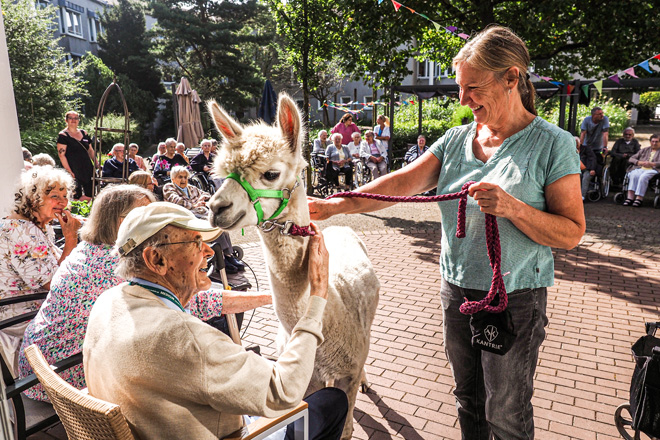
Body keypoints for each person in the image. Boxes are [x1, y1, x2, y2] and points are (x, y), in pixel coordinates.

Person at [309, 25, 585, 440]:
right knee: (468, 400)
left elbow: (570, 233)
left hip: (514, 299)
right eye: (460, 87)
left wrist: (513, 207)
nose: (462, 99)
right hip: (456, 291)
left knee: (506, 412)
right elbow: (400, 184)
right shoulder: (456, 140)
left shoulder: (552, 144)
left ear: (511, 78)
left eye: (473, 87)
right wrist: (337, 204)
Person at [83, 203, 348, 440]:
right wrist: (316, 299)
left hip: (153, 424)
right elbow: (284, 391)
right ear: (156, 259)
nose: (209, 251)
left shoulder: (108, 301)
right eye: (196, 242)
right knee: (331, 401)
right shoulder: (185, 337)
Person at [0, 166, 81, 376]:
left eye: (65, 195)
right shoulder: (22, 230)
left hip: (29, 305)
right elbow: (56, 283)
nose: (63, 202)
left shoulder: (36, 227)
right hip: (19, 314)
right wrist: (71, 237)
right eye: (54, 196)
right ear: (34, 199)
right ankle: (71, 384)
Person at [163, 166, 244, 273]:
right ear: (173, 179)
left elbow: (206, 194)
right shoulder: (169, 187)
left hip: (200, 213)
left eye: (185, 177)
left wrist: (203, 198)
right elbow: (177, 201)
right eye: (180, 177)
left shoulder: (190, 188)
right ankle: (222, 259)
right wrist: (195, 204)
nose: (183, 180)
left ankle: (228, 255)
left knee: (220, 222)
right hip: (187, 216)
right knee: (211, 226)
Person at [56, 111, 97, 199]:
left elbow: (90, 150)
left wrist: (97, 163)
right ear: (66, 120)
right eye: (71, 118)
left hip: (86, 167)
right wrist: (69, 171)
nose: (73, 120)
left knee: (91, 193)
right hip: (73, 167)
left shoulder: (84, 133)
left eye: (76, 118)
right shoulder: (63, 135)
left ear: (78, 120)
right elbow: (61, 155)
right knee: (75, 194)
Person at [622, 134, 660, 207]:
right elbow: (631, 158)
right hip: (641, 168)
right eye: (653, 141)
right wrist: (639, 162)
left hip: (654, 170)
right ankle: (630, 197)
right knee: (633, 174)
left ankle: (639, 198)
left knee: (643, 176)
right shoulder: (645, 150)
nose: (654, 143)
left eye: (656, 142)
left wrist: (652, 164)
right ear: (650, 142)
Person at [579, 107, 609, 172]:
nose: (602, 115)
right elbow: (583, 134)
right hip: (587, 145)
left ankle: (598, 176)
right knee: (584, 159)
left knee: (600, 158)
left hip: (599, 147)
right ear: (594, 115)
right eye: (600, 114)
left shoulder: (604, 119)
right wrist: (580, 146)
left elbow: (605, 134)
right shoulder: (587, 120)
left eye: (602, 113)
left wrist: (605, 147)